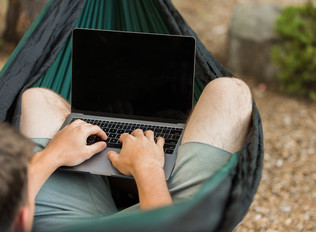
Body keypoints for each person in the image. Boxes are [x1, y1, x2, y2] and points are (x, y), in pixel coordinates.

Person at [0, 77, 252, 232]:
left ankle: (109, 173)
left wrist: (53, 155)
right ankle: (127, 176)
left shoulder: (17, 217)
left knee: (36, 99)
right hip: (166, 217)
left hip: (61, 222)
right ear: (21, 218)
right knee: (231, 92)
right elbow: (170, 226)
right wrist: (148, 168)